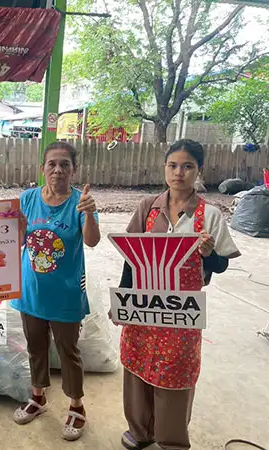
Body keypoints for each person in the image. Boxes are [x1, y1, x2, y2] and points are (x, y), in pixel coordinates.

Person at [114, 139, 241, 450]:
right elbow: (131, 258)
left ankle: (171, 440)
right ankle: (141, 431)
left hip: (181, 311)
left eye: (187, 167)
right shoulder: (148, 208)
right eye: (173, 165)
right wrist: (122, 302)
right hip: (143, 305)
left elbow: (221, 265)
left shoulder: (209, 215)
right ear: (164, 168)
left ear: (199, 171)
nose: (179, 173)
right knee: (138, 366)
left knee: (175, 374)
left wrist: (209, 254)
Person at [11, 141, 100, 441]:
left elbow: (91, 241)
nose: (58, 170)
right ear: (43, 168)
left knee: (68, 352)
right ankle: (38, 397)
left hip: (66, 295)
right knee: (35, 347)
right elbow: (19, 242)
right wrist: (18, 226)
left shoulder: (80, 202)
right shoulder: (28, 198)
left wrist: (90, 214)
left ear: (73, 170)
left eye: (65, 164)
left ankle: (77, 406)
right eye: (52, 164)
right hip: (31, 292)